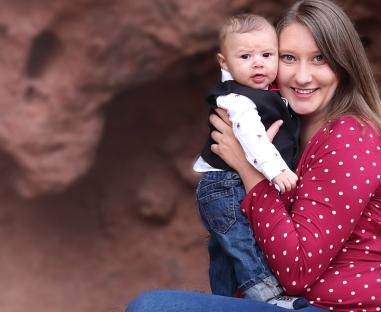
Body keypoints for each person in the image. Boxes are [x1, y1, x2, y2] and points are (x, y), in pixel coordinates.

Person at [125, 0, 381, 311]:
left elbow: (297, 272)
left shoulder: (349, 135)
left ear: (344, 65)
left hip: (339, 307)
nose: (302, 77)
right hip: (290, 303)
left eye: (319, 59)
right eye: (288, 58)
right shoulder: (288, 129)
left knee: (153, 308)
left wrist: (249, 170)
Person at [193, 14, 307, 309]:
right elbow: (250, 135)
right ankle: (267, 296)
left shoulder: (267, 93)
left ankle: (226, 299)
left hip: (224, 184)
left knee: (224, 249)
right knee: (241, 243)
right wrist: (276, 169)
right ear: (224, 63)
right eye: (245, 56)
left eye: (267, 55)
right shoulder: (238, 100)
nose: (258, 63)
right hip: (226, 184)